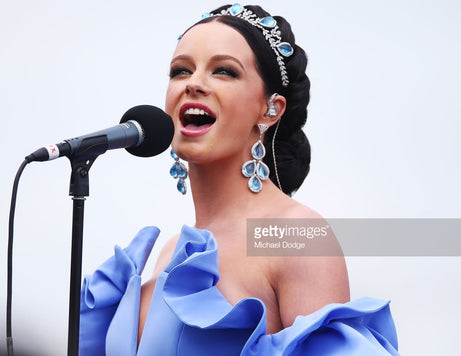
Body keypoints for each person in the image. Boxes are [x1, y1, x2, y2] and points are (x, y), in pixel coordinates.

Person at [79, 4, 399, 355]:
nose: (194, 84)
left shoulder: (295, 233)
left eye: (225, 71)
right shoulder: (169, 253)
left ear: (270, 109)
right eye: (181, 70)